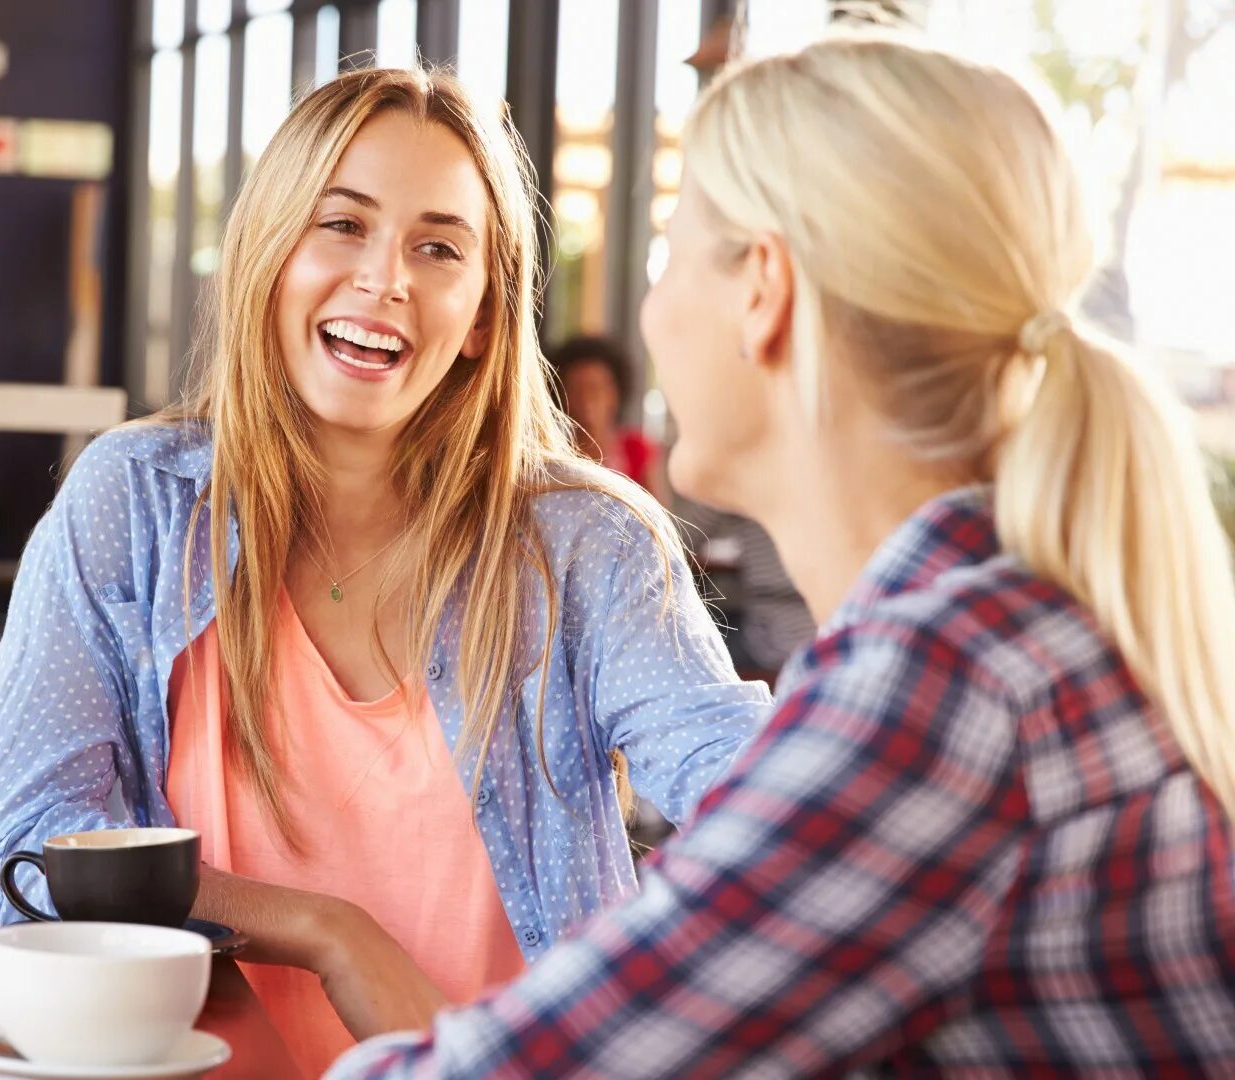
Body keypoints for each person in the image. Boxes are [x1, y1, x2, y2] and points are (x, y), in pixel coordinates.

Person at [329, 36, 1235, 1078]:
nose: (648, 310)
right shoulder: (1016, 623)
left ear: (764, 288)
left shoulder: (943, 688)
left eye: (668, 252)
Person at [0, 67, 770, 1075]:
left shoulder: (585, 543)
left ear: (481, 315)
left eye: (437, 248)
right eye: (343, 225)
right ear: (271, 253)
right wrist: (327, 931)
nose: (385, 280)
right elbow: (21, 855)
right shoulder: (137, 504)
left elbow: (762, 798)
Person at [547, 335, 665, 500]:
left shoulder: (636, 450)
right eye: (576, 389)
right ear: (560, 394)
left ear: (615, 393)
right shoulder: (551, 453)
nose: (587, 399)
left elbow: (657, 517)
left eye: (596, 389)